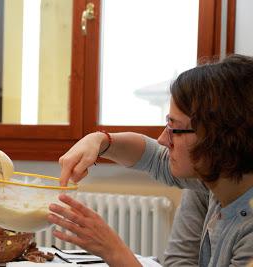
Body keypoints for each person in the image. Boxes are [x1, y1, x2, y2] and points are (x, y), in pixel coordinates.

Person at [48, 54, 253, 266]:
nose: (163, 139)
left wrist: (114, 251)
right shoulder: (223, 177)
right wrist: (100, 140)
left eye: (174, 128)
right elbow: (151, 155)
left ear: (218, 137)